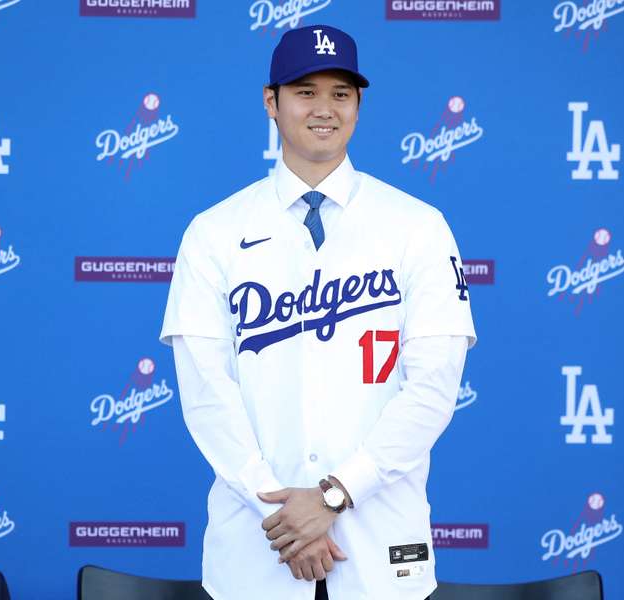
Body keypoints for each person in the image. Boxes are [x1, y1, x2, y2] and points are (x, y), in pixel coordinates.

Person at [160, 24, 476, 600]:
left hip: (382, 548)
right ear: (271, 101)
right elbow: (208, 393)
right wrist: (285, 515)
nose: (324, 108)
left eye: (341, 93)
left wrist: (334, 496)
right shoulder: (214, 232)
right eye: (305, 91)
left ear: (358, 106)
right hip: (259, 548)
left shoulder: (418, 226)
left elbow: (432, 388)